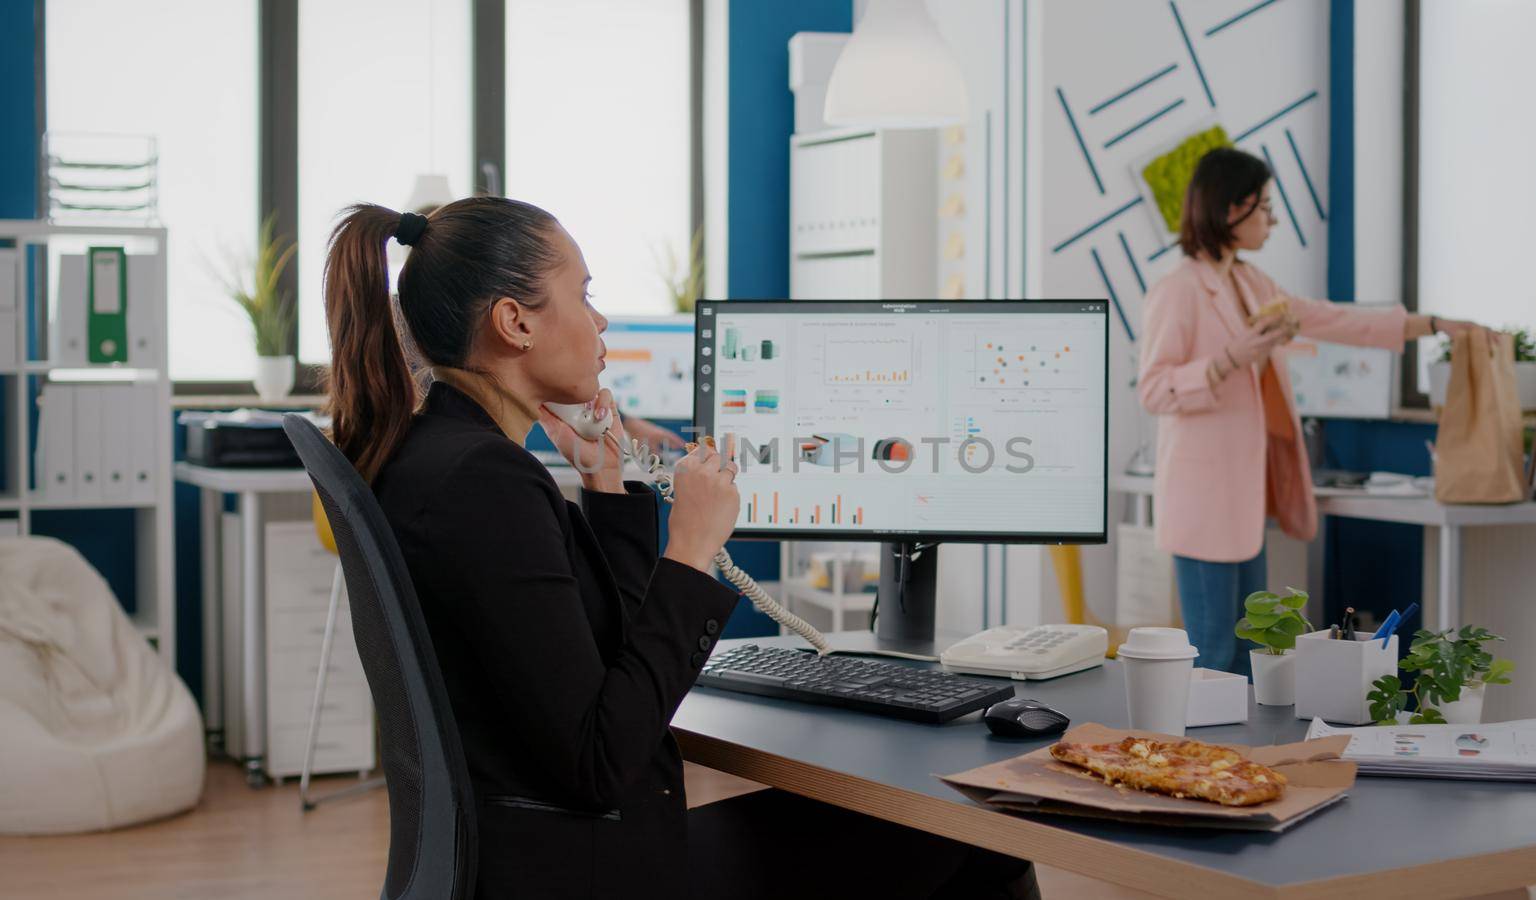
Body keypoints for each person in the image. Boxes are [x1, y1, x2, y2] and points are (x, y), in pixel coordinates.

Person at [321, 197, 1038, 899]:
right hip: (592, 869)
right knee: (981, 842)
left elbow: (599, 659)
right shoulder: (485, 482)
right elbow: (600, 759)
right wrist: (691, 548)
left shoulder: (441, 455)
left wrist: (604, 482)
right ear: (515, 323)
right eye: (584, 294)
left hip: (546, 856)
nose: (600, 321)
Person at [1137, 148, 1479, 675]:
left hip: (1244, 502)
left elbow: (1338, 322)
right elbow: (1154, 390)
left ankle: (1239, 759)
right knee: (1213, 653)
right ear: (1231, 208)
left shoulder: (1253, 285)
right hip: (1203, 505)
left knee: (1253, 653)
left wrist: (1432, 323)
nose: (1272, 221)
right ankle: (1197, 758)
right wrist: (1227, 360)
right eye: (1264, 208)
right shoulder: (1178, 290)